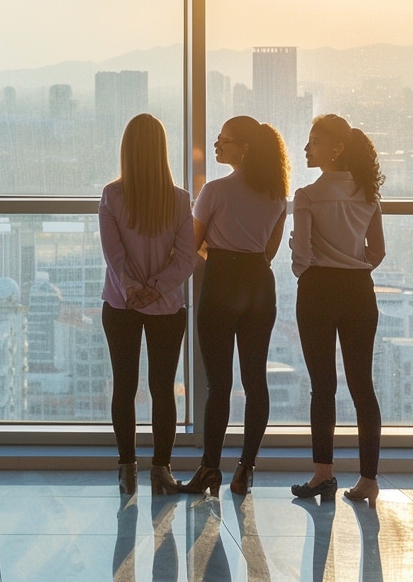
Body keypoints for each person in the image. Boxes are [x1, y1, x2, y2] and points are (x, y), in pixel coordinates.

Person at [179, 116, 288, 496]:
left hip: (222, 283)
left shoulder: (216, 189)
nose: (216, 146)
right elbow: (269, 251)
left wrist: (219, 247)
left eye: (223, 140)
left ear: (243, 148)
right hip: (259, 284)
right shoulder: (277, 193)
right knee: (255, 380)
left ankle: (210, 468)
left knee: (218, 384)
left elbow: (193, 244)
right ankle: (246, 468)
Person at [287, 114, 386, 507]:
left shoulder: (307, 196)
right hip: (360, 290)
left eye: (314, 141)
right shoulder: (368, 196)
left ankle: (323, 474)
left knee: (322, 385)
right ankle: (369, 479)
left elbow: (301, 257)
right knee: (363, 386)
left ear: (336, 148)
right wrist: (353, 263)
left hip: (317, 289)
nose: (307, 148)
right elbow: (376, 252)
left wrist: (303, 259)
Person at [100, 114, 197, 495]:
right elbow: (186, 260)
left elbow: (113, 253)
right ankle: (162, 471)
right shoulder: (178, 200)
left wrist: (131, 288)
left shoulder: (112, 195)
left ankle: (127, 471)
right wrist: (155, 289)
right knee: (163, 388)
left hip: (120, 305)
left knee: (124, 387)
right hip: (167, 307)